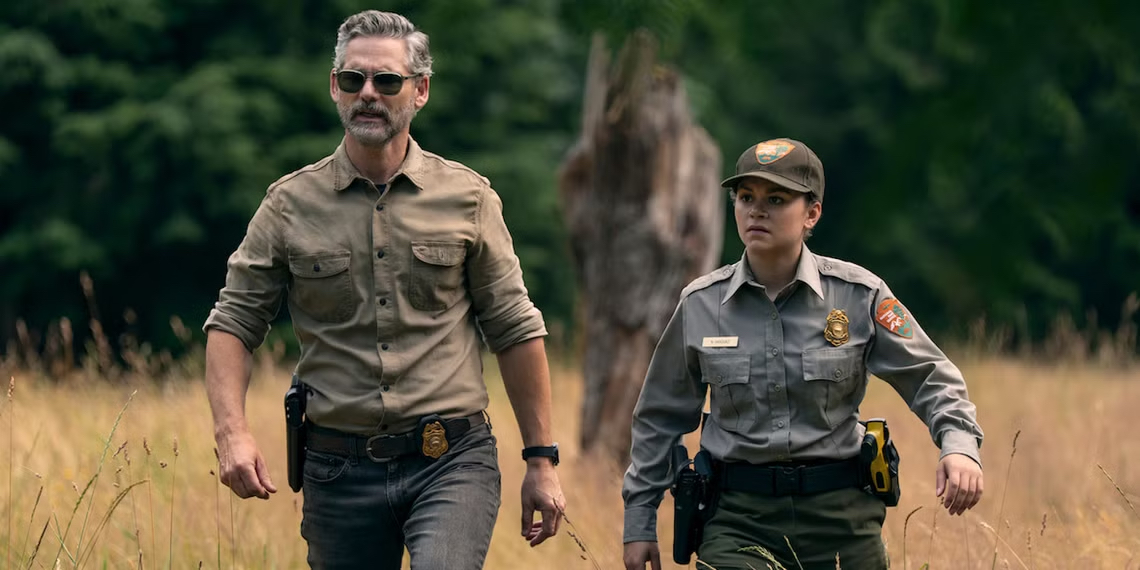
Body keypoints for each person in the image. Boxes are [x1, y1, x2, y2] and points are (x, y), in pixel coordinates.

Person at [203, 10, 565, 569]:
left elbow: (515, 327)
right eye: (354, 79)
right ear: (335, 86)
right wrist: (232, 434)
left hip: (451, 459)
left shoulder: (468, 198)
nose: (368, 93)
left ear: (420, 91)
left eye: (387, 80)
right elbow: (233, 323)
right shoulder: (287, 205)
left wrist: (540, 460)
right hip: (337, 468)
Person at [621, 138, 984, 569]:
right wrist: (640, 521)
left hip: (840, 519)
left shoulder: (858, 295)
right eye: (745, 197)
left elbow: (930, 376)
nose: (756, 211)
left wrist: (959, 445)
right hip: (738, 519)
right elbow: (659, 416)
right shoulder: (700, 305)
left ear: (812, 213)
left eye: (776, 199)